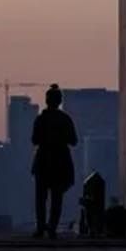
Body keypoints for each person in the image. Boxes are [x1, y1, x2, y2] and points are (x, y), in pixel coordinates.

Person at [30, 84, 79, 239]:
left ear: (47, 100)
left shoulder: (41, 119)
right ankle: (52, 228)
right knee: (57, 199)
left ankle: (40, 228)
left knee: (40, 199)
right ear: (59, 101)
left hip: (43, 162)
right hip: (60, 162)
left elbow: (34, 140)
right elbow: (74, 141)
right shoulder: (65, 119)